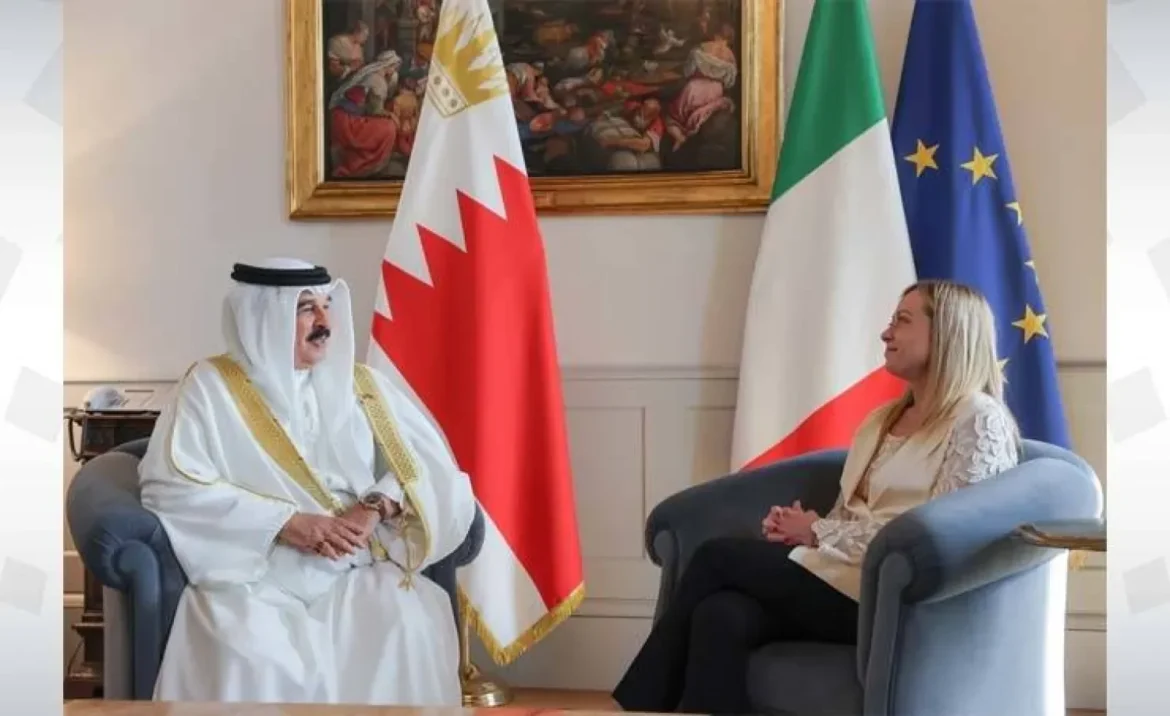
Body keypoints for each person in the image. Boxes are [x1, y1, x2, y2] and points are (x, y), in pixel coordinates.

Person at [611, 279, 1022, 715]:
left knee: (717, 557)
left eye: (902, 321)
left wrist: (819, 532)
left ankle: (635, 706)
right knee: (721, 613)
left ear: (948, 333)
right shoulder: (883, 419)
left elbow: (948, 537)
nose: (886, 333)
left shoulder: (978, 420)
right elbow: (852, 511)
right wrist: (805, 529)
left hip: (895, 596)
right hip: (838, 577)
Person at [138, 258, 478, 705]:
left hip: (352, 566)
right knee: (251, 654)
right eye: (305, 309)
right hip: (256, 574)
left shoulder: (360, 385)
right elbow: (170, 486)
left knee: (405, 627)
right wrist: (285, 523)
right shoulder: (209, 388)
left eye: (326, 306)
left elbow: (424, 465)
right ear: (264, 317)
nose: (324, 322)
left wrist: (375, 507)